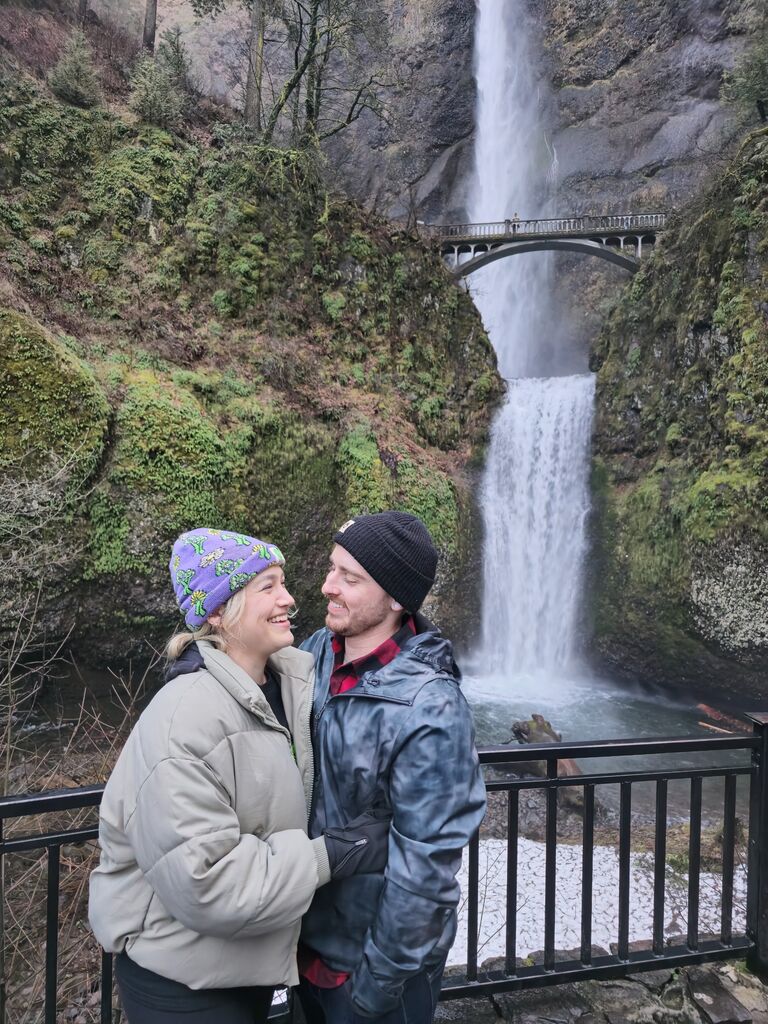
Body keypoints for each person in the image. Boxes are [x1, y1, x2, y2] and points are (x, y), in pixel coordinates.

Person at [88, 527, 389, 1024]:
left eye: (284, 583)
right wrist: (333, 853)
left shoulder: (291, 684)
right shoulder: (182, 720)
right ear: (216, 611)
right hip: (182, 982)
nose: (289, 599)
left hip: (257, 963)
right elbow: (208, 882)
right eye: (267, 586)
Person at [297, 511, 487, 1023]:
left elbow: (425, 868)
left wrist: (375, 990)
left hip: (369, 973)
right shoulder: (314, 652)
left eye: (349, 578)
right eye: (331, 568)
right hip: (298, 948)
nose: (327, 587)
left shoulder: (432, 706)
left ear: (397, 598)